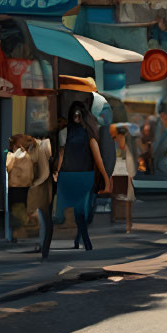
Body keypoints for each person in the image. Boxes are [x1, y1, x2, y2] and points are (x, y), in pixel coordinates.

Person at [49, 104, 106, 253]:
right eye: (74, 115)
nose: (77, 118)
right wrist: (58, 171)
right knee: (79, 210)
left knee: (83, 211)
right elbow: (61, 154)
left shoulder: (90, 132)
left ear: (84, 116)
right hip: (71, 174)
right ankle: (85, 242)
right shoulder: (65, 132)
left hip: (86, 174)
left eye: (79, 115)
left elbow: (97, 156)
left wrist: (104, 176)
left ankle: (81, 239)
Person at [109, 123, 137, 233]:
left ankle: (128, 226)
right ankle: (128, 225)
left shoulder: (125, 143)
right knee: (128, 199)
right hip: (128, 169)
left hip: (127, 169)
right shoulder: (131, 143)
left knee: (127, 198)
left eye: (115, 137)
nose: (115, 139)